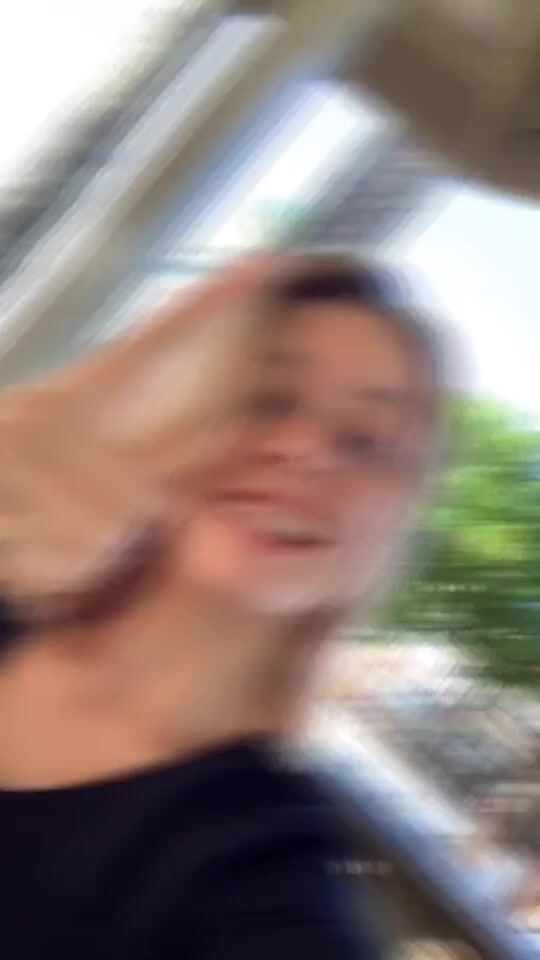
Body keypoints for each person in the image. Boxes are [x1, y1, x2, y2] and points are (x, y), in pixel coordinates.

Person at [0, 252, 448, 958]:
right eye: (264, 399)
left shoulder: (262, 868)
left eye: (365, 441)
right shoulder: (13, 609)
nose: (303, 448)